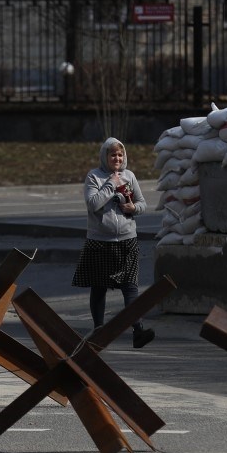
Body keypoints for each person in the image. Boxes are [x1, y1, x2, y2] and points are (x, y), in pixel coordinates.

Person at [71, 137, 154, 348]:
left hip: (127, 239)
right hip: (100, 241)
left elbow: (142, 203)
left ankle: (138, 330)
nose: (117, 158)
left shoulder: (130, 176)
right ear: (105, 156)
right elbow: (92, 204)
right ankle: (99, 330)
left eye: (120, 154)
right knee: (99, 287)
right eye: (112, 154)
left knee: (130, 286)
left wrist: (133, 208)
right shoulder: (94, 176)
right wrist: (111, 184)